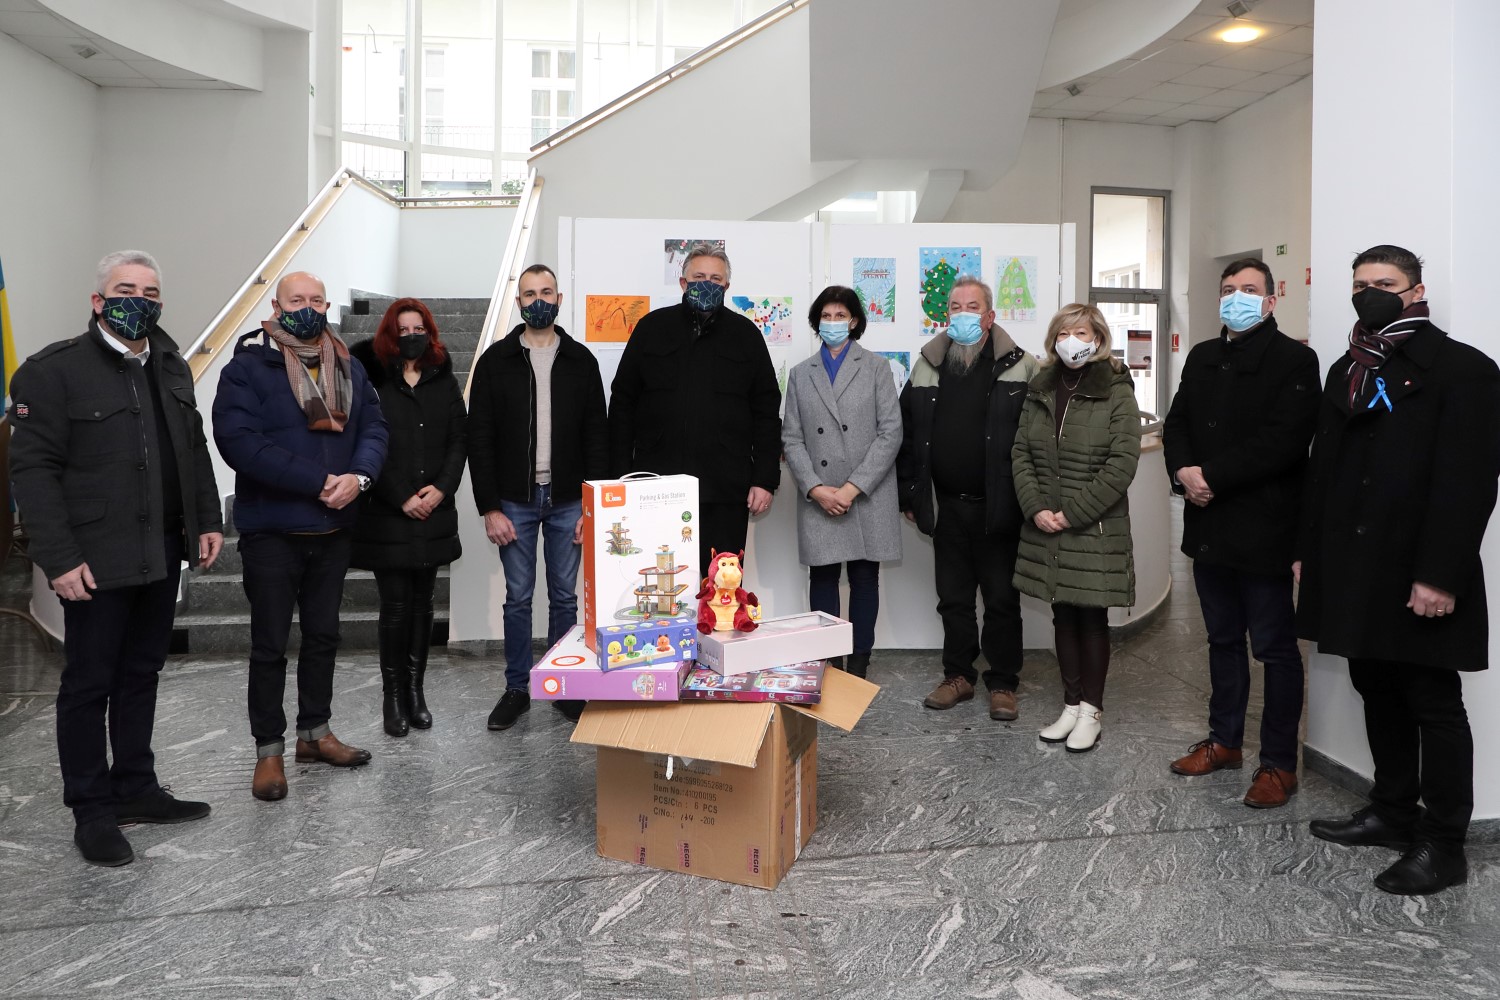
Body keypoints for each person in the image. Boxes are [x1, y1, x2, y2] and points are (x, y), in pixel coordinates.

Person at [8, 250, 224, 866]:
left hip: (161, 551)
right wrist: (58, 558)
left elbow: (192, 451)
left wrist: (207, 520)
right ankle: (92, 810)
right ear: (98, 300)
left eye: (150, 292)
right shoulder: (54, 371)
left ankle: (136, 788)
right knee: (89, 683)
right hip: (94, 559)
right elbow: (33, 472)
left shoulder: (171, 365)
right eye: (125, 289)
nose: (140, 301)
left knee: (142, 673)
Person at [1300, 245, 1500, 895]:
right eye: (1360, 284)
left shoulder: (1464, 370)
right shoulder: (1348, 367)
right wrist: (1308, 553)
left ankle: (1444, 844)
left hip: (1418, 567)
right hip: (1355, 565)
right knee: (1374, 684)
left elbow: (1469, 482)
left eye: (1384, 283)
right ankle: (1391, 811)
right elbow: (1324, 470)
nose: (1370, 294)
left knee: (1432, 700)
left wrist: (1440, 575)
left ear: (1415, 292)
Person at [213, 271, 388, 801]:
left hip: (334, 529)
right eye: (297, 300)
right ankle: (269, 751)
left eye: (316, 300)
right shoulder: (247, 367)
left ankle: (315, 733)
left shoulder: (350, 364)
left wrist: (359, 478)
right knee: (269, 645)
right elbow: (240, 443)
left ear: (328, 306)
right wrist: (320, 482)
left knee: (324, 637)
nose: (307, 307)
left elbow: (375, 429)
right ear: (277, 306)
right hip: (272, 531)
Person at [1163, 258, 1320, 807]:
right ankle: (1224, 741)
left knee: (1274, 649)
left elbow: (1284, 441)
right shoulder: (1203, 355)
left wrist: (1210, 476)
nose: (1237, 297)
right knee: (1222, 640)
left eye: (1249, 289)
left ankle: (1278, 764)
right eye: (1229, 289)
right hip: (1209, 523)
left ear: (1271, 301)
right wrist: (1182, 472)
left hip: (1265, 526)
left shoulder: (1296, 359)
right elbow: (1177, 422)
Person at [469, 264, 607, 730]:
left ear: (559, 299)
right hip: (514, 500)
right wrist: (489, 507)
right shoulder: (495, 361)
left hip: (569, 499)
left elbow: (597, 436)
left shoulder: (581, 360)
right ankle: (517, 689)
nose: (538, 301)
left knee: (565, 597)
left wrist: (593, 506)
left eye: (546, 292)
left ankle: (563, 686)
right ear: (519, 303)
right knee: (518, 598)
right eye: (529, 294)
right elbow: (479, 438)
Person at [897, 276, 1039, 720]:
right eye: (955, 307)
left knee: (1001, 600)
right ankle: (957, 676)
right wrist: (910, 493)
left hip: (1001, 506)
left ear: (990, 316)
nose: (962, 314)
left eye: (972, 307)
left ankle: (1003, 682)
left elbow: (1039, 438)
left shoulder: (1023, 366)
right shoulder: (927, 365)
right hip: (947, 507)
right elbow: (906, 434)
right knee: (954, 599)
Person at [1012, 303, 1140, 753]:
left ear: (1098, 338)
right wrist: (1036, 508)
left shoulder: (1116, 388)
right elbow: (1021, 453)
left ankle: (1091, 712)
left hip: (1093, 528)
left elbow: (1122, 462)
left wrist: (1073, 513)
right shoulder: (1040, 387)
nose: (1072, 341)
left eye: (1082, 332)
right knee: (1062, 614)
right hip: (1047, 524)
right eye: (1064, 333)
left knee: (1092, 619)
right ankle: (1070, 706)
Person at [608, 243, 781, 571]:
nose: (707, 284)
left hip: (725, 489)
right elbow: (622, 404)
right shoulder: (651, 328)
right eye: (699, 277)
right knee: (661, 584)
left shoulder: (746, 335)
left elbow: (767, 411)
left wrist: (764, 479)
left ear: (726, 286)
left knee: (722, 586)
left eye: (716, 279)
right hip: (657, 487)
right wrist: (621, 476)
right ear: (683, 283)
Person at [349, 298, 466, 737]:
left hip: (434, 510)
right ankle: (393, 697)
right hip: (388, 513)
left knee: (424, 604)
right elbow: (364, 441)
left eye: (419, 329)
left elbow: (459, 438)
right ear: (389, 334)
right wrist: (401, 496)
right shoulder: (371, 379)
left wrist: (441, 488)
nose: (412, 336)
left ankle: (416, 692)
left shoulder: (442, 378)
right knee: (395, 607)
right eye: (403, 330)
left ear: (429, 333)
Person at [781, 285, 902, 678]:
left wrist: (851, 488)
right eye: (826, 315)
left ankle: (859, 664)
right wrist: (815, 489)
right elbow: (791, 438)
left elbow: (891, 433)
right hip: (820, 493)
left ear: (854, 321)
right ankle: (830, 664)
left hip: (866, 492)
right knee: (823, 576)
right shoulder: (801, 374)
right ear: (816, 321)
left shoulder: (877, 368)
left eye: (840, 315)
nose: (832, 322)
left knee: (865, 578)